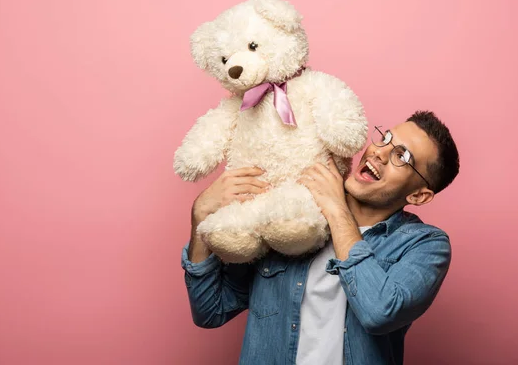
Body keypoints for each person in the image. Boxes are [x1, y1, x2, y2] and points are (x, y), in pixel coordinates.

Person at [181, 110, 460, 365]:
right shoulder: (292, 218)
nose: (379, 153)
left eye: (402, 156)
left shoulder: (425, 245)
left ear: (418, 195)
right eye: (386, 138)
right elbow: (210, 311)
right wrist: (200, 216)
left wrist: (337, 209)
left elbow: (380, 312)